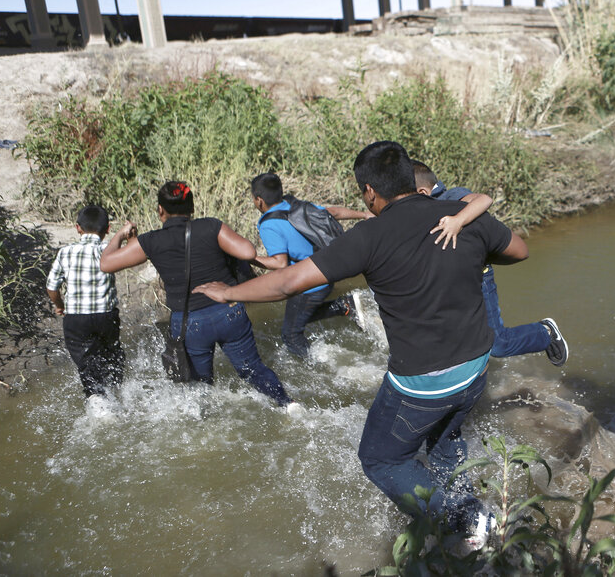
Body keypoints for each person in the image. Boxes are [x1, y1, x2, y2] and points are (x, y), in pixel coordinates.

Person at [195, 142, 529, 547]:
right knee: (442, 444)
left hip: (425, 380)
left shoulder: (369, 236)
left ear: (370, 191)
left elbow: (287, 282)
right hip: (476, 366)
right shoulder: (461, 217)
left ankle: (470, 520)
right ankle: (469, 526)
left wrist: (230, 293)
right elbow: (519, 251)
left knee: (381, 458)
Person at [100, 181, 295, 409]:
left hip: (189, 323)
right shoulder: (211, 226)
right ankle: (288, 404)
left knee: (200, 387)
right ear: (192, 207)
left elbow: (106, 263)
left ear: (160, 210)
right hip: (229, 311)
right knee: (253, 369)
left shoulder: (150, 241)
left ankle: (208, 430)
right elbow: (248, 252)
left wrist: (121, 236)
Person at [411, 160, 568, 366]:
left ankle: (545, 332)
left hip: (478, 278)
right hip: (451, 280)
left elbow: (484, 199)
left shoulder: (449, 197)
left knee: (498, 345)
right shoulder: (421, 211)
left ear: (422, 193)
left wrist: (458, 220)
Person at [250, 172, 369, 357]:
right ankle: (345, 305)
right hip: (327, 271)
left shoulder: (268, 225)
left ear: (258, 200)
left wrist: (250, 258)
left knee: (290, 334)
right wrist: (364, 214)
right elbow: (333, 212)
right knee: (301, 316)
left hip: (308, 283)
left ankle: (316, 369)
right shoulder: (296, 206)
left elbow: (279, 263)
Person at [45, 204, 124, 399]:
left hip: (76, 319)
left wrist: (59, 305)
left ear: (77, 228)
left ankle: (97, 400)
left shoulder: (65, 252)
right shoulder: (108, 250)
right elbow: (134, 249)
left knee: (87, 363)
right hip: (106, 316)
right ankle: (118, 389)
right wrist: (124, 235)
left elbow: (52, 286)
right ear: (107, 229)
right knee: (112, 353)